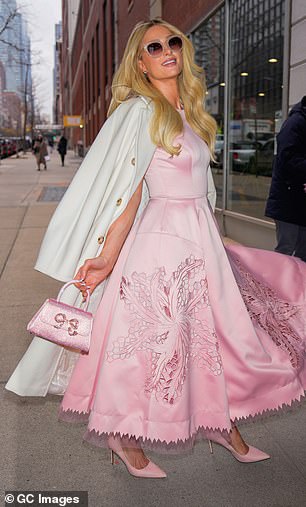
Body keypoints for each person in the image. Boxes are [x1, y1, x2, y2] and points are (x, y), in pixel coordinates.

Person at [5, 19, 306, 479]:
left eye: (174, 42)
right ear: (141, 63)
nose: (167, 50)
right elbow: (128, 192)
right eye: (154, 46)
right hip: (161, 242)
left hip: (199, 236)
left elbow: (201, 186)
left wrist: (219, 235)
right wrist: (106, 256)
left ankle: (219, 424)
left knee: (217, 337)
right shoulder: (140, 112)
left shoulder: (191, 110)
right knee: (157, 344)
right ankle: (124, 436)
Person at [265, 96, 306, 261]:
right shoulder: (296, 123)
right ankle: (277, 287)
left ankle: (298, 287)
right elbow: (287, 159)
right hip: (289, 202)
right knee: (286, 252)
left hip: (299, 203)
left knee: (302, 253)